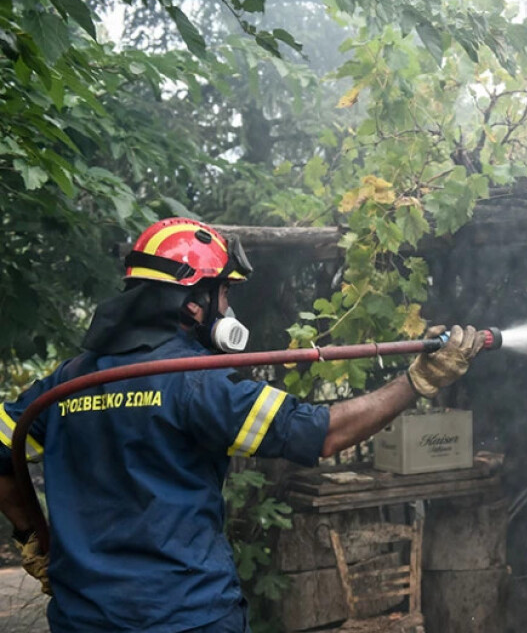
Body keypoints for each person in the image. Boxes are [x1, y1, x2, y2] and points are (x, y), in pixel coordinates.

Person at [0, 217, 485, 632]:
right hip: (187, 615)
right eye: (224, 293)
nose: (228, 308)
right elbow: (323, 433)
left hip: (83, 617)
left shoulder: (67, 380)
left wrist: (32, 537)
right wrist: (416, 382)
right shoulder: (195, 381)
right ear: (194, 303)